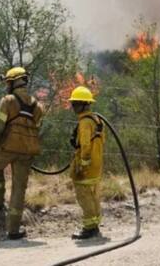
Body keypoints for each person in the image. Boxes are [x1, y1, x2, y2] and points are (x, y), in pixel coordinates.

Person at [0, 66, 44, 240]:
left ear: (12, 83)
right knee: (19, 189)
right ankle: (13, 230)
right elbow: (36, 127)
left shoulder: (7, 101)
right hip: (26, 151)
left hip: (7, 148)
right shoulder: (37, 106)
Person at [68, 86, 105, 240]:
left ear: (84, 104)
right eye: (73, 104)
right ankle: (95, 225)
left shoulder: (84, 123)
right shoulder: (97, 120)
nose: (73, 107)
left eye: (76, 104)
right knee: (93, 195)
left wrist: (83, 165)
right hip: (97, 164)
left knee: (84, 195)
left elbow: (85, 145)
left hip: (87, 166)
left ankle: (89, 228)